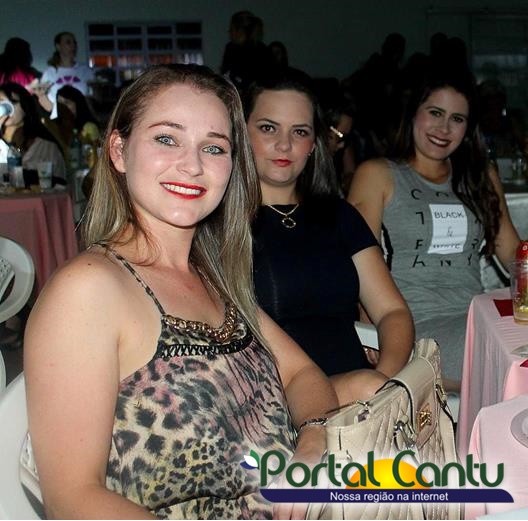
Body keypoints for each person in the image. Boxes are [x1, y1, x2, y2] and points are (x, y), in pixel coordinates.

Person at [24, 64, 338, 519]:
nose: (192, 165)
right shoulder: (88, 289)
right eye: (167, 139)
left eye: (213, 147)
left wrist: (313, 440)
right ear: (118, 150)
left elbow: (303, 374)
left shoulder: (212, 278)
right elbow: (72, 499)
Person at [245, 70, 413, 404]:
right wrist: (370, 390)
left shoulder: (338, 216)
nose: (284, 144)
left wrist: (385, 382)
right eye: (268, 128)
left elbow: (392, 312)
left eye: (300, 131)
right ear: (241, 133)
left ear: (313, 144)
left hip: (362, 394)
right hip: (275, 400)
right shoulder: (223, 227)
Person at [348, 69, 520, 391]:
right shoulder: (379, 174)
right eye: (435, 113)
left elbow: (512, 251)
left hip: (477, 315)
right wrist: (372, 332)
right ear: (414, 113)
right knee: (505, 358)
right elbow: (357, 263)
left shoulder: (480, 175)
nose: (444, 128)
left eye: (457, 119)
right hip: (414, 323)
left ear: (468, 128)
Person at [0, 82, 66, 180]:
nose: (6, 107)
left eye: (13, 102)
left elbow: (58, 180)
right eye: (1, 103)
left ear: (25, 105)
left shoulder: (44, 146)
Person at [34, 32, 95, 119]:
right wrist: (41, 95)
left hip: (82, 120)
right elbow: (49, 107)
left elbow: (91, 101)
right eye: (68, 42)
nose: (73, 46)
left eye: (74, 43)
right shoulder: (49, 73)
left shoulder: (85, 71)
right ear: (58, 47)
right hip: (59, 121)